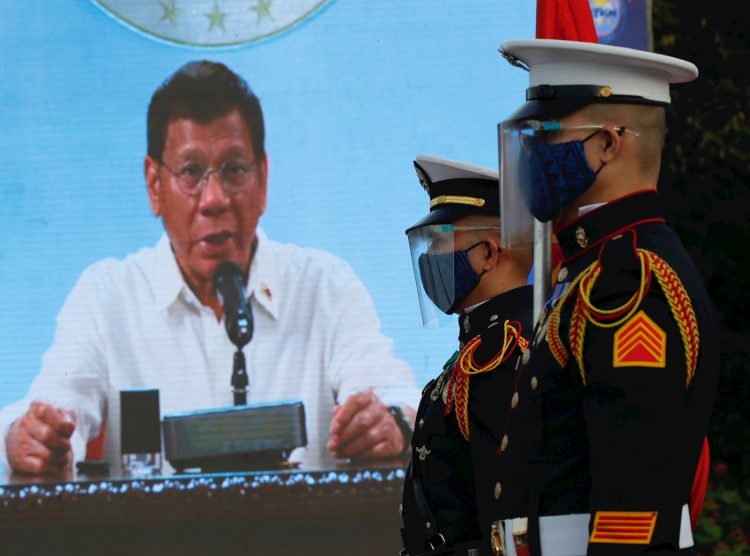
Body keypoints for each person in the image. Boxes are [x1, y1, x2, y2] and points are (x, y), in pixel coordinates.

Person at [0, 60, 418, 475]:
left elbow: (400, 398)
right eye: (191, 172)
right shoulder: (107, 297)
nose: (214, 198)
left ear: (264, 178)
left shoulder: (324, 286)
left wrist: (392, 425)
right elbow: (56, 406)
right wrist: (30, 436)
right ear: (154, 186)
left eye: (234, 170)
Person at [479, 39, 719, 555]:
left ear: (609, 143)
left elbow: (632, 498)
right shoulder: (592, 270)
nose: (530, 155)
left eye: (546, 136)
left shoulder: (630, 278)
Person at [399, 155, 533, 555]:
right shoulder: (481, 348)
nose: (429, 259)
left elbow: (510, 510)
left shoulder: (505, 350)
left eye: (439, 242)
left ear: (489, 254)